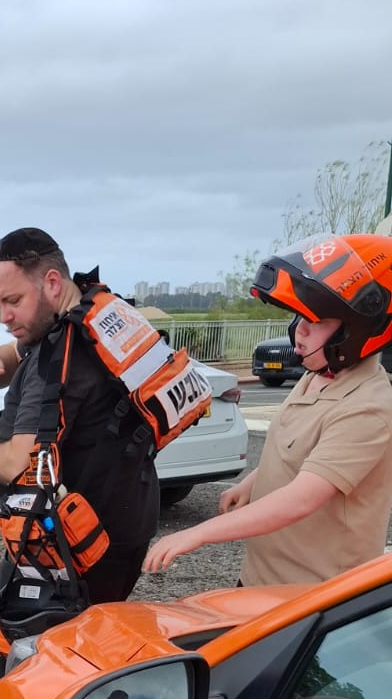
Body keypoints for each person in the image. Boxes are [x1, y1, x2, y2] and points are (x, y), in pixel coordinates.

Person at [143, 234, 392, 583]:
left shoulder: (368, 408)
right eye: (298, 316)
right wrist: (252, 482)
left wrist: (200, 532)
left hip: (310, 597)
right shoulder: (318, 374)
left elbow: (303, 499)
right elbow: (297, 450)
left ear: (363, 328)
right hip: (263, 579)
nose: (299, 332)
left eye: (316, 320)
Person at [0, 228, 159, 604]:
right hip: (128, 519)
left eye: (13, 300)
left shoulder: (56, 361)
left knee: (22, 648)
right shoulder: (97, 319)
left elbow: (19, 462)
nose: (5, 316)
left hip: (78, 542)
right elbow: (22, 349)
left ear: (51, 282)